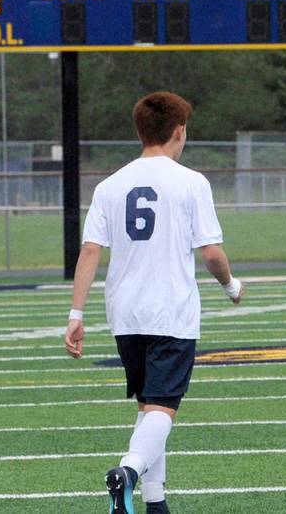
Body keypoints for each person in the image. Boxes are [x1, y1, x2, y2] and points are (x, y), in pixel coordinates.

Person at [63, 92, 243, 514]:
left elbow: (90, 251)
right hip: (170, 311)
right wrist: (232, 286)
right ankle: (127, 471)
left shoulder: (110, 184)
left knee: (150, 408)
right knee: (164, 408)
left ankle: (156, 502)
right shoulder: (191, 181)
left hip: (124, 313)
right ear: (179, 131)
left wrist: (75, 314)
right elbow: (212, 254)